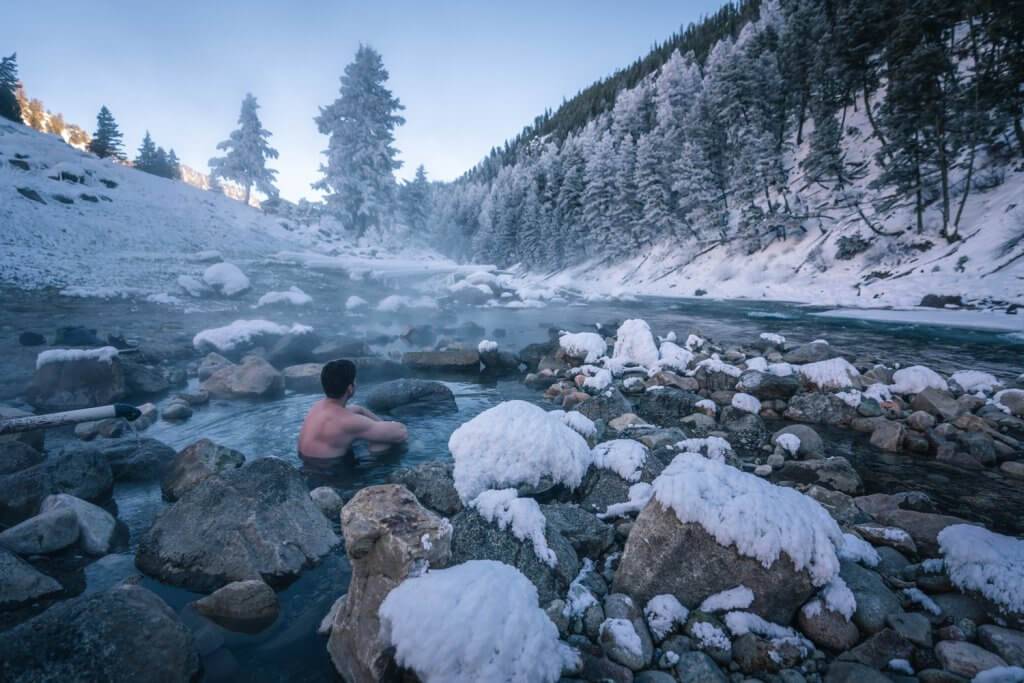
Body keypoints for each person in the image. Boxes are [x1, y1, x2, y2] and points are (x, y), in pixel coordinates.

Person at [298, 359, 408, 460]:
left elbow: (356, 410)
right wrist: (383, 426)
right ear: (350, 388)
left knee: (373, 431)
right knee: (383, 442)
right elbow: (401, 432)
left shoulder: (318, 406)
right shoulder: (348, 422)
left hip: (307, 464)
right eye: (355, 381)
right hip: (333, 473)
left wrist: (370, 417)